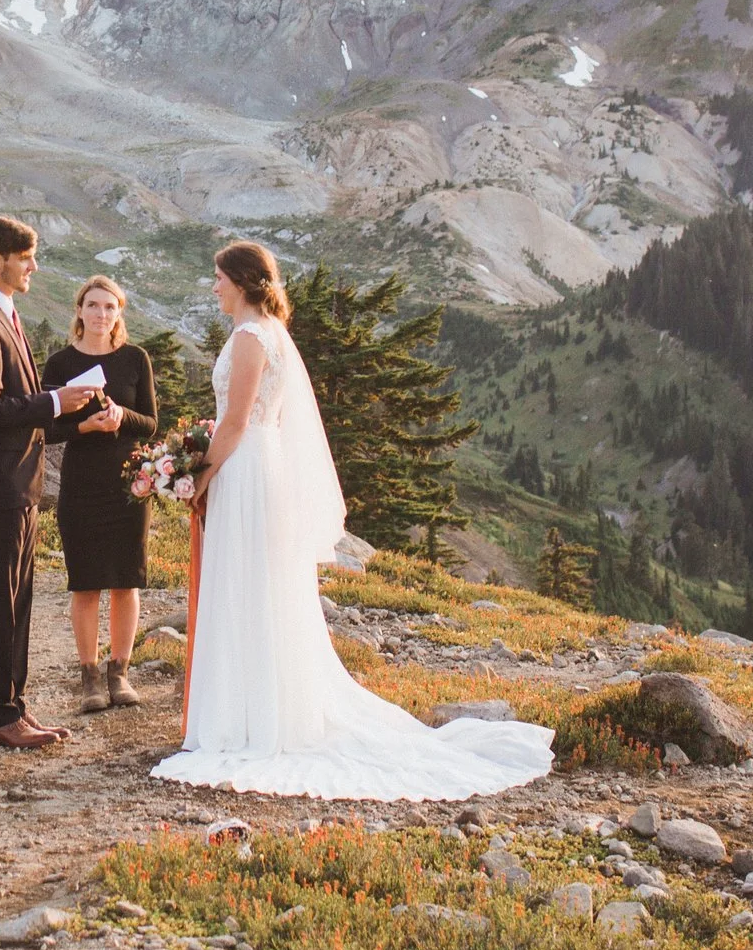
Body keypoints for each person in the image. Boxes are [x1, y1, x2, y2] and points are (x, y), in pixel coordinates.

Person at [153, 240, 557, 801]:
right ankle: (258, 711)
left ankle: (246, 721)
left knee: (244, 585)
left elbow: (238, 421)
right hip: (257, 465)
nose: (214, 285)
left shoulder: (249, 337)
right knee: (257, 587)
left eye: (219, 276)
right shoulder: (267, 332)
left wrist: (198, 476)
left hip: (245, 469)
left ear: (242, 281)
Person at [0, 214, 97, 750]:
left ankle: (13, 705)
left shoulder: (5, 315)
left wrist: (74, 417)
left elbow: (21, 408)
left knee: (19, 598)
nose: (34, 266)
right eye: (26, 258)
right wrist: (55, 401)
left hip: (20, 483)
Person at [40, 275, 158, 713]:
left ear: (118, 313)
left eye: (110, 307)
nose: (101, 314)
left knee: (126, 580)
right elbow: (47, 427)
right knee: (86, 582)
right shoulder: (60, 363)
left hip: (129, 481)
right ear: (79, 310)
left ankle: (119, 673)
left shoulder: (135, 359)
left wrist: (121, 416)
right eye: (93, 305)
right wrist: (85, 426)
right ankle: (89, 677)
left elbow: (151, 423)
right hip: (82, 481)